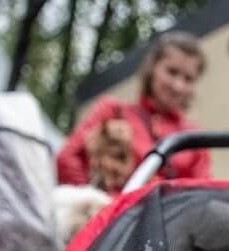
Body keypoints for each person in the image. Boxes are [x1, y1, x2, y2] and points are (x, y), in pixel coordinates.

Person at [56, 31, 210, 191]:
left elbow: (202, 194)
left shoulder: (193, 138)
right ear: (152, 68)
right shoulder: (114, 112)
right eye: (171, 72)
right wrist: (100, 203)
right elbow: (66, 159)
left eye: (188, 79)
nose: (178, 85)